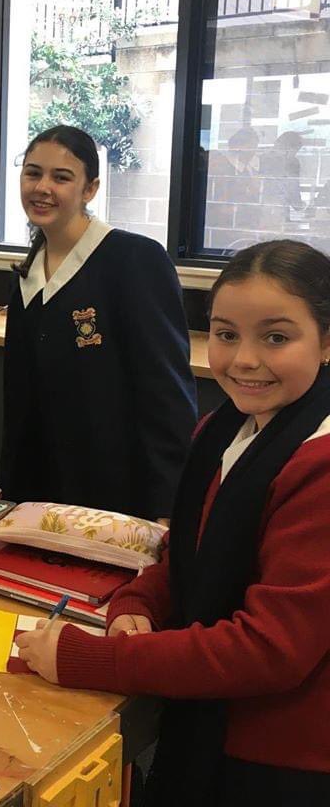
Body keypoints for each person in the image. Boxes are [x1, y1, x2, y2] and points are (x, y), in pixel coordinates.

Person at [17, 239, 330, 807]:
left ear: (327, 341)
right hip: (212, 725)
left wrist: (91, 659)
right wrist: (140, 601)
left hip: (277, 758)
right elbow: (190, 552)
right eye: (227, 334)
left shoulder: (320, 464)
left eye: (276, 338)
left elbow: (270, 649)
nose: (244, 359)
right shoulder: (225, 430)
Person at [0, 125, 196, 518]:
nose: (42, 187)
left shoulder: (134, 260)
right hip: (38, 490)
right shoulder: (29, 272)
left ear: (90, 189)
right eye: (33, 173)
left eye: (61, 177)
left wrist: (168, 504)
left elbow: (167, 394)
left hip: (115, 492)